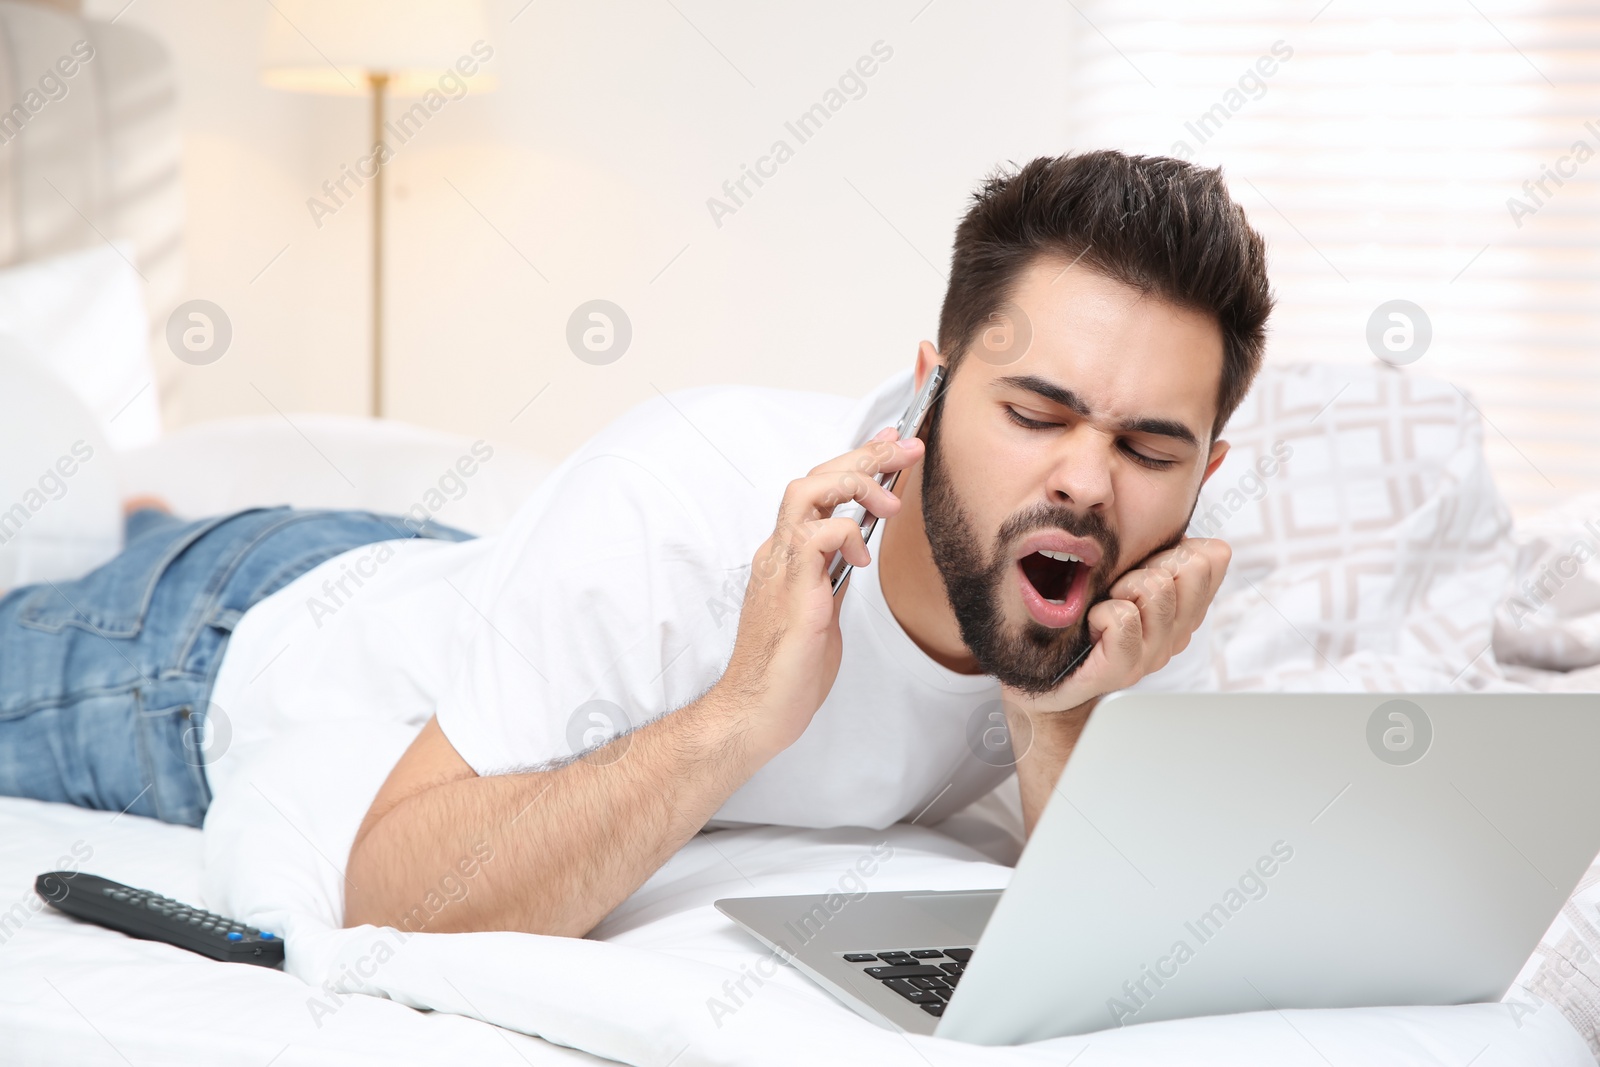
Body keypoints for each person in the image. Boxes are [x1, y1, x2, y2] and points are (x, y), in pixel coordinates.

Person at [0, 150, 1272, 939]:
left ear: (1202, 473)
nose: (1085, 484)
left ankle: (156, 517)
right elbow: (395, 891)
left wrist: (1054, 714)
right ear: (926, 393)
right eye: (1035, 412)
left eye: (1147, 448)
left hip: (468, 571)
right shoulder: (680, 490)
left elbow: (1119, 935)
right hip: (221, 646)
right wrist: (735, 717)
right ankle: (155, 533)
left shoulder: (1149, 586)